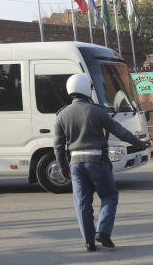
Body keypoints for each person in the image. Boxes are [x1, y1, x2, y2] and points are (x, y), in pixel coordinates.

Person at [54, 74, 147, 252]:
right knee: (109, 196)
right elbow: (120, 132)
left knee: (82, 203)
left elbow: (58, 146)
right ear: (86, 89)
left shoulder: (62, 115)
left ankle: (89, 241)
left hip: (75, 164)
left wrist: (63, 167)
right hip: (97, 161)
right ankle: (103, 231)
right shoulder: (98, 111)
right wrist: (140, 143)